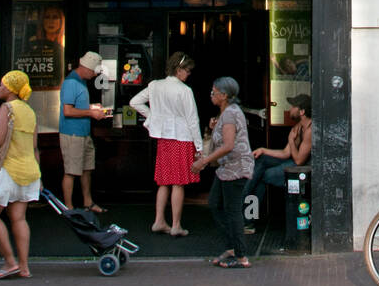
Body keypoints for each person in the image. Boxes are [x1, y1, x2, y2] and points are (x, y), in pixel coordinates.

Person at [130, 52, 203, 236]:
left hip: (163, 138)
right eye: (187, 70)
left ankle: (159, 221)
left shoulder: (155, 85)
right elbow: (192, 120)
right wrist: (200, 147)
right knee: (178, 183)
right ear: (179, 70)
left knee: (163, 182)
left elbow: (134, 102)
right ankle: (176, 225)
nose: (189, 74)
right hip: (182, 138)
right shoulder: (184, 90)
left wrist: (153, 117)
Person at [0, 70, 41, 280]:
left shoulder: (7, 108)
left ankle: (9, 262)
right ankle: (24, 267)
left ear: (10, 89)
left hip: (8, 170)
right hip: (29, 171)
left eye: (1, 85)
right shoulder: (30, 111)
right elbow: (34, 147)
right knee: (19, 218)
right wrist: (39, 177)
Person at [192, 76, 254, 268]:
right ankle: (232, 246)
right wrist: (213, 129)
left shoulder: (229, 114)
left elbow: (228, 145)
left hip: (235, 168)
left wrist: (204, 162)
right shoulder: (226, 113)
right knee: (215, 204)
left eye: (214, 92)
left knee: (232, 210)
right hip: (225, 169)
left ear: (224, 95)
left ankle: (241, 255)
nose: (211, 95)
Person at [243, 94, 312, 233]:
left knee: (263, 175)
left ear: (302, 111)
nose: (289, 109)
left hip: (302, 168)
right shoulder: (299, 126)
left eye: (293, 107)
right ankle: (247, 212)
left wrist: (292, 140)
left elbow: (299, 161)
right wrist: (263, 150)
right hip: (293, 160)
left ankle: (247, 217)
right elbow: (286, 153)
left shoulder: (310, 130)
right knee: (261, 160)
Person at [60, 50, 108, 212]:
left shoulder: (79, 82)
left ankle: (88, 202)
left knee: (87, 168)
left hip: (83, 132)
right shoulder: (71, 83)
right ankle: (69, 207)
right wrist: (91, 112)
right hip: (72, 133)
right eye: (94, 71)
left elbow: (76, 107)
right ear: (86, 68)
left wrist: (91, 107)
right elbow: (67, 111)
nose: (94, 75)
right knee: (71, 171)